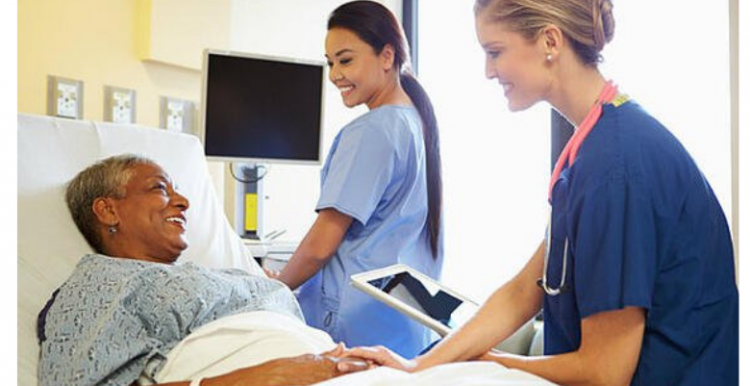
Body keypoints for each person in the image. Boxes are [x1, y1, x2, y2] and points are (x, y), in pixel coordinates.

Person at [335, 1, 739, 385]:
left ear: (549, 41)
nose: (488, 71)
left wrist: (492, 364)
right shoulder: (592, 148)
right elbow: (521, 291)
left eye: (495, 51)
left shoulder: (616, 167)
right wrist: (418, 366)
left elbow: (606, 372)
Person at [37, 154, 368, 386]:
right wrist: (263, 378)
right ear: (108, 210)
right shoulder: (102, 281)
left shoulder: (221, 275)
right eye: (159, 188)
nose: (183, 201)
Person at [272, 0, 444, 358]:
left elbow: (323, 243)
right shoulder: (417, 125)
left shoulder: (372, 130)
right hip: (408, 322)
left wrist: (274, 288)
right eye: (330, 62)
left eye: (346, 60)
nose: (335, 74)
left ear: (386, 56)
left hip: (357, 321)